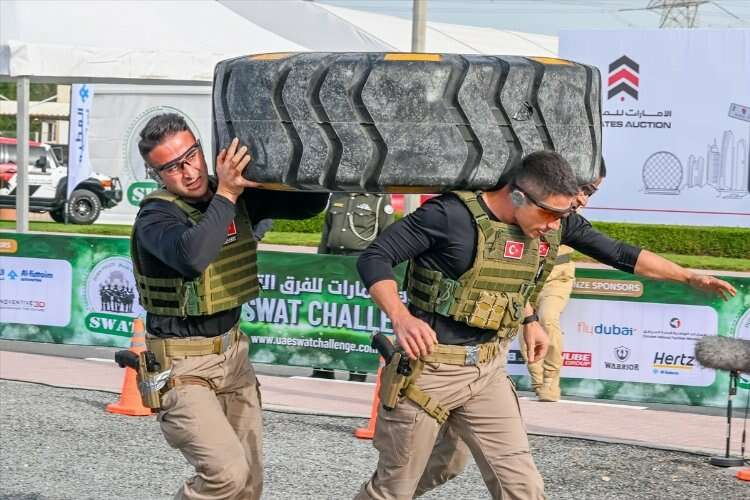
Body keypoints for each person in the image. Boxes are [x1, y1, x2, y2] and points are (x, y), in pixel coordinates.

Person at [355, 151, 736, 500]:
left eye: (562, 216)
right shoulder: (448, 216)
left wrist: (688, 276)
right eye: (551, 214)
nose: (556, 225)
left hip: (487, 372)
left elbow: (617, 252)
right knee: (401, 485)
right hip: (430, 371)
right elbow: (375, 257)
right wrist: (401, 318)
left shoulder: (551, 221)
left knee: (522, 487)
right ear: (518, 196)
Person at [131, 113, 326, 500]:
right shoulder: (156, 216)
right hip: (182, 366)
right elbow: (192, 257)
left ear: (202, 149)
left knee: (249, 485)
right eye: (172, 167)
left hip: (233, 357)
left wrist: (303, 144)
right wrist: (227, 195)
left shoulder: (233, 192)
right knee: (227, 476)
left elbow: (311, 204)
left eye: (191, 156)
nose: (188, 172)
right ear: (157, 175)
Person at [520, 161, 606, 402]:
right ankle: (538, 381)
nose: (584, 199)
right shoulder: (535, 198)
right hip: (526, 274)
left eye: (590, 192)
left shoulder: (570, 213)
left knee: (547, 318)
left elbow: (614, 251)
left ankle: (551, 379)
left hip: (558, 274)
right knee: (526, 323)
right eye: (585, 189)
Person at [313, 192, 395, 381]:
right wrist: (319, 262)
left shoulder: (378, 199)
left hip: (360, 262)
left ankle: (357, 369)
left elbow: (387, 236)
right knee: (327, 315)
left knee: (356, 316)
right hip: (334, 261)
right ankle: (323, 368)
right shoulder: (338, 195)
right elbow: (326, 232)